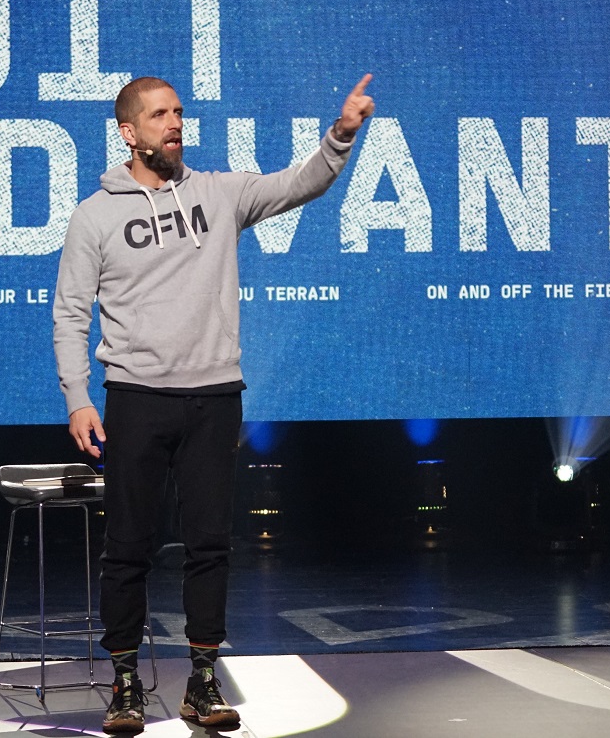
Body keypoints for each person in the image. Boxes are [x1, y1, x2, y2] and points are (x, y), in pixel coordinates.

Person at [53, 74, 374, 733]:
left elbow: (301, 182)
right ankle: (124, 684)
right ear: (129, 132)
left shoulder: (219, 194)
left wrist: (342, 134)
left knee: (209, 545)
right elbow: (70, 313)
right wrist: (78, 396)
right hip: (137, 395)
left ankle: (202, 679)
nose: (175, 123)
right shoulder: (95, 215)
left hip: (214, 395)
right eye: (159, 114)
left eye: (178, 112)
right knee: (127, 547)